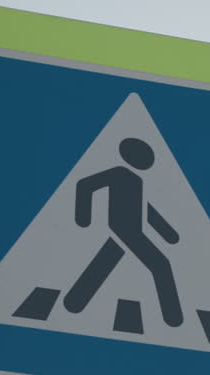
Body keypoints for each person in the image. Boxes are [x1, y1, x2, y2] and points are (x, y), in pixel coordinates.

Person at [63, 137, 183, 327]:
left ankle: (73, 303)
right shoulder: (118, 173)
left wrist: (168, 234)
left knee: (103, 263)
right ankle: (174, 319)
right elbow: (85, 185)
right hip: (124, 230)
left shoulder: (136, 180)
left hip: (129, 230)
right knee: (161, 265)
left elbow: (146, 210)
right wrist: (83, 218)